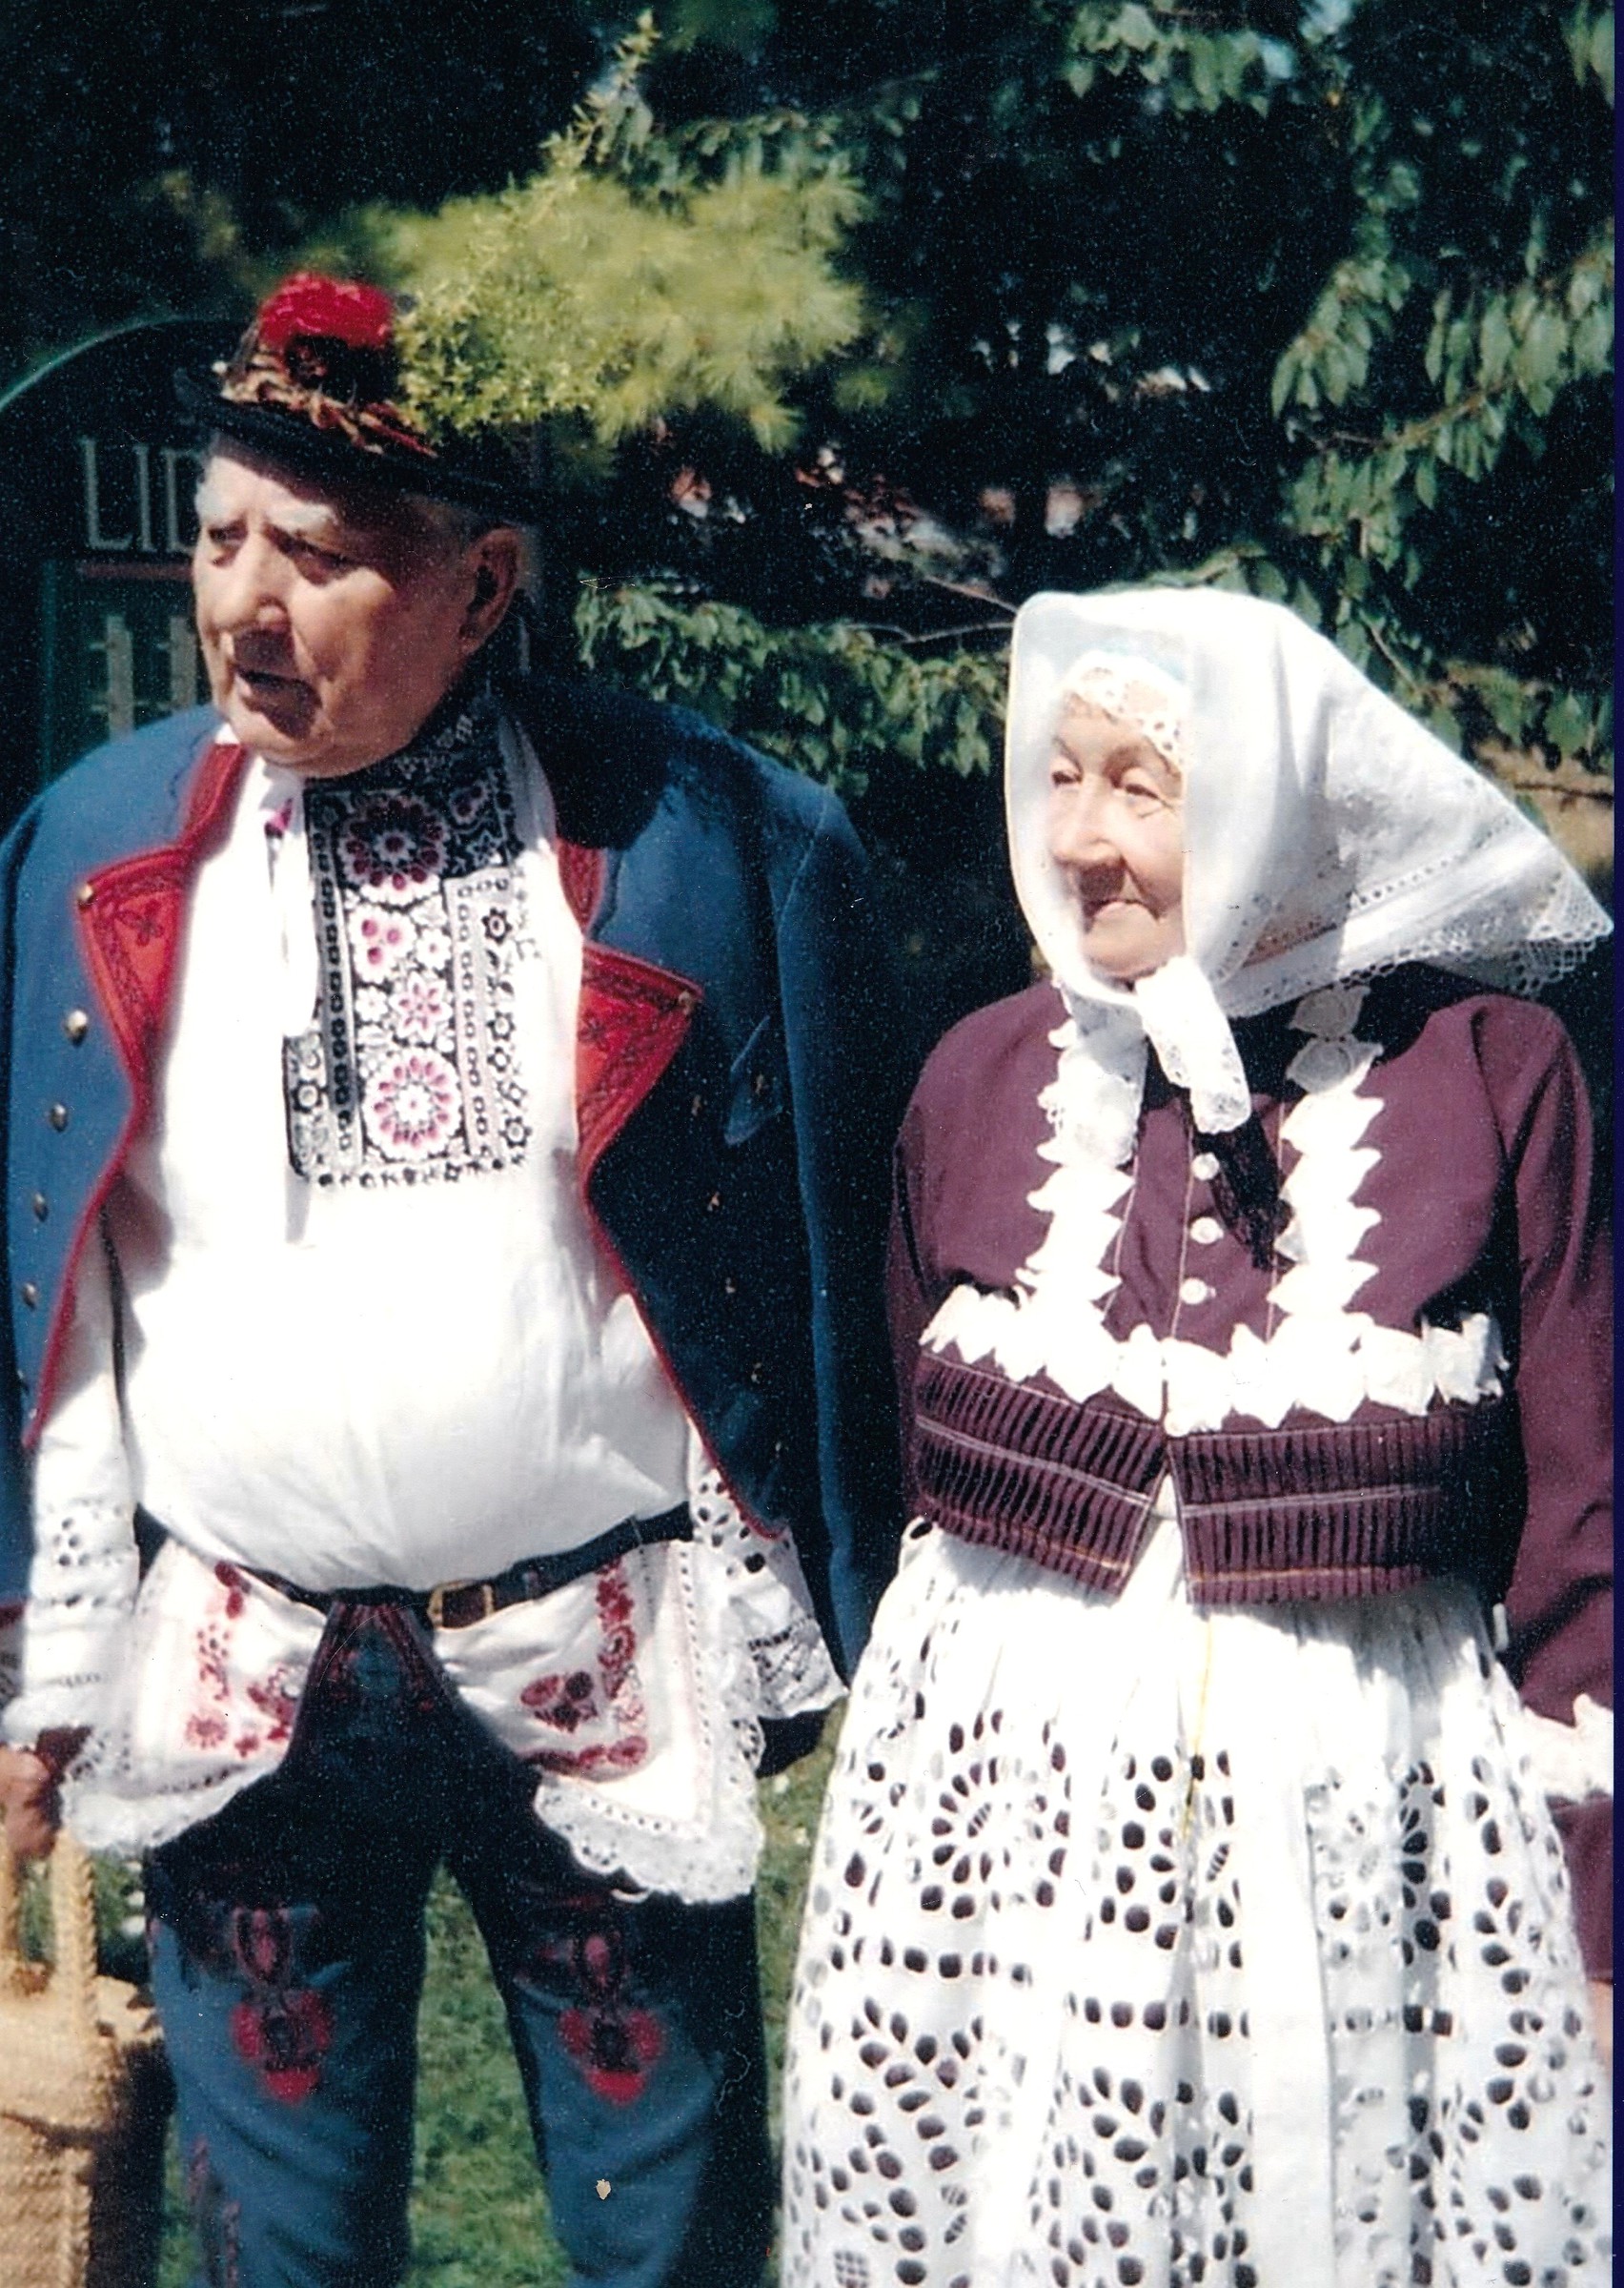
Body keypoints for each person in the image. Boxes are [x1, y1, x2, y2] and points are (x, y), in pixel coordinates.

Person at [0, 272, 904, 2288]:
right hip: (243, 1675)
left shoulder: (700, 847)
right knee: (281, 2248)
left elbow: (831, 1244)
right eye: (221, 540)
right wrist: (42, 1672)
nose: (246, 606)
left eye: (316, 557)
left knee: (662, 2229)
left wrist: (843, 1593)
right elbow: (52, 1287)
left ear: (484, 585)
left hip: (590, 1661)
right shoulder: (98, 851)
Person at [781, 586, 1612, 2288]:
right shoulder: (979, 1075)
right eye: (1059, 775)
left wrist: (1598, 1910)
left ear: (1273, 811)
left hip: (1363, 1825)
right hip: (1006, 1830)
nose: (1078, 837)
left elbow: (1586, 1516)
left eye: (1140, 787)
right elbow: (896, 1450)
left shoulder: (1489, 1076)